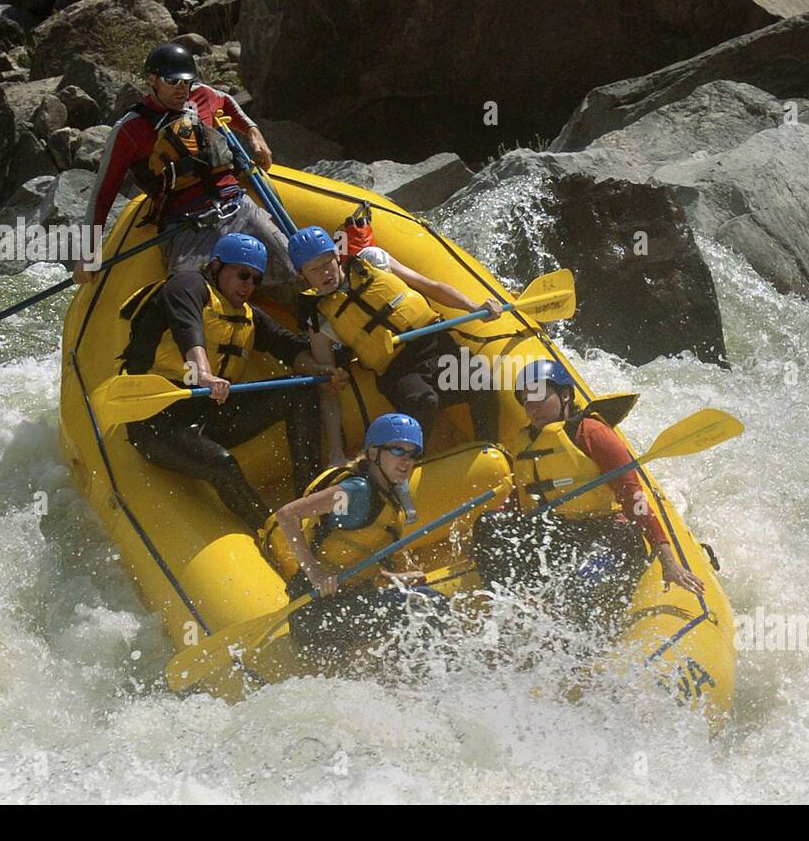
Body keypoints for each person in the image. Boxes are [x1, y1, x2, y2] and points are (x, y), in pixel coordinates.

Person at [119, 233, 343, 530]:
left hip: (209, 417)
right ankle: (270, 530)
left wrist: (319, 369)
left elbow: (286, 344)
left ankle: (311, 500)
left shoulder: (249, 316)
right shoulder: (187, 286)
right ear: (216, 267)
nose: (247, 285)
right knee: (222, 464)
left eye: (254, 280)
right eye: (242, 274)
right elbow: (188, 327)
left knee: (300, 392)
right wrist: (203, 372)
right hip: (156, 422)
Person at [472, 360, 704, 623]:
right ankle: (511, 608)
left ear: (565, 395)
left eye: (539, 396)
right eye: (526, 401)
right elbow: (522, 494)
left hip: (612, 536)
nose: (532, 408)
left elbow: (634, 499)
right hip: (562, 533)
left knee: (576, 586)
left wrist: (668, 560)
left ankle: (578, 636)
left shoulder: (592, 433)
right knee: (490, 525)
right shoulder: (528, 441)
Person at [77, 42, 293, 291]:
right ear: (152, 79)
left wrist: (253, 132)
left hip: (236, 207)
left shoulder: (201, 95)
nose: (182, 88)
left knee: (296, 269)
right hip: (186, 226)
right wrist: (89, 251)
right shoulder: (129, 129)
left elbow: (226, 101)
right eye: (172, 81)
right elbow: (103, 192)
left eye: (186, 81)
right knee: (186, 297)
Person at [286, 221, 503, 463]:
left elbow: (430, 287)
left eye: (327, 262)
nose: (324, 273)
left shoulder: (373, 259)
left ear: (337, 255)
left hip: (434, 343)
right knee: (424, 402)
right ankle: (411, 470)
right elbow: (328, 388)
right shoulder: (319, 317)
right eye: (313, 269)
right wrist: (335, 451)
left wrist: (473, 307)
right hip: (396, 369)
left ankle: (490, 451)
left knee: (482, 383)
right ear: (301, 275)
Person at [263, 412, 444, 666]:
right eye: (397, 450)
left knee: (427, 598)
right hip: (315, 613)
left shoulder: (388, 496)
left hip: (349, 602)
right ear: (373, 453)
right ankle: (417, 679)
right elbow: (287, 514)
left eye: (412, 454)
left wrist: (393, 579)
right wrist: (315, 573)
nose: (406, 461)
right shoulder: (356, 491)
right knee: (426, 604)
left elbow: (358, 558)